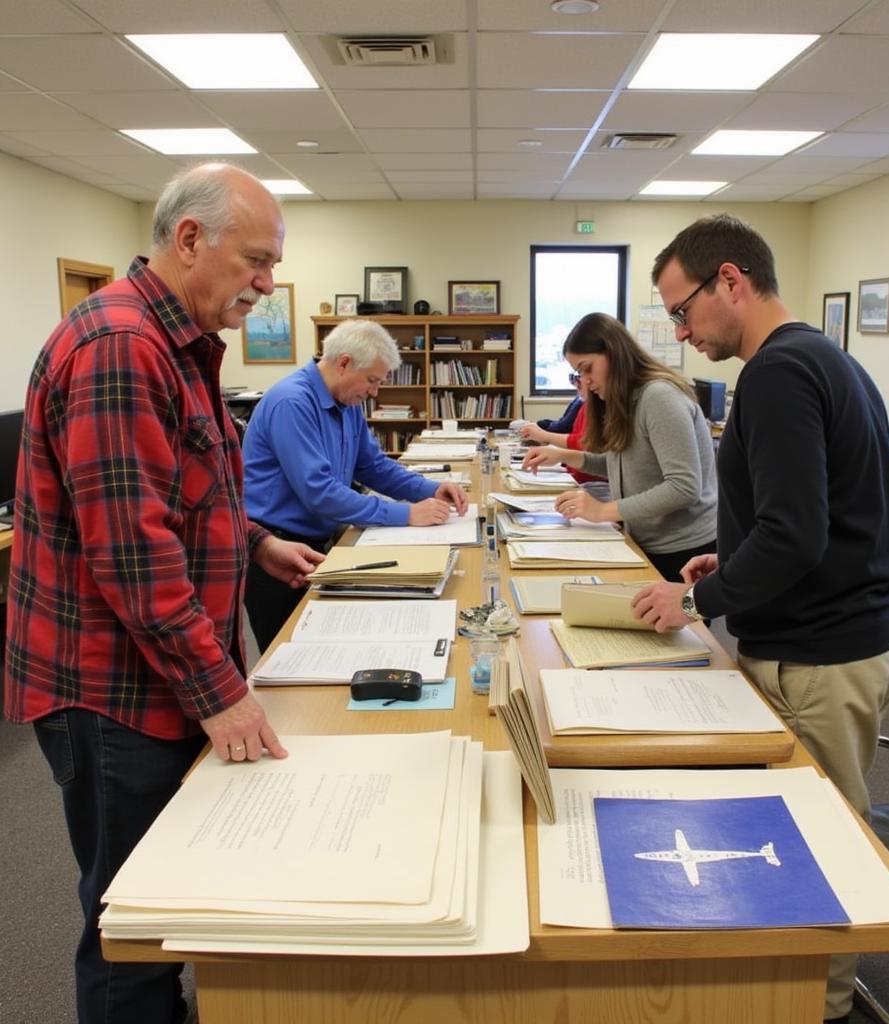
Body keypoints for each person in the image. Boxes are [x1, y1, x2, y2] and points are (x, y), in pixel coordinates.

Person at [3, 163, 326, 1024]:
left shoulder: (172, 341)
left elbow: (193, 484)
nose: (267, 281)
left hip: (152, 676)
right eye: (257, 259)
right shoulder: (123, 346)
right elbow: (135, 554)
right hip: (108, 692)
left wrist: (260, 544)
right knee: (131, 927)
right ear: (190, 240)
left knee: (167, 901)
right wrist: (224, 694)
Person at [631, 213, 889, 1024]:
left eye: (683, 312)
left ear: (732, 283)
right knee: (797, 825)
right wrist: (732, 552)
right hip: (835, 633)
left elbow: (798, 531)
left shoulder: (779, 374)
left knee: (818, 837)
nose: (680, 333)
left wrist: (695, 599)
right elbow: (804, 517)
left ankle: (821, 1006)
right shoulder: (821, 357)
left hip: (823, 651)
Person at [242, 318, 469, 650]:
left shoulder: (346, 403)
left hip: (316, 544)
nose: (375, 392)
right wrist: (405, 514)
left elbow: (373, 466)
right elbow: (321, 494)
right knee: (291, 655)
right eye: (372, 380)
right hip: (275, 553)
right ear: (344, 363)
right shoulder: (292, 402)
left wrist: (430, 489)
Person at [522, 312, 717, 581]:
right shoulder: (625, 399)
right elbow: (623, 464)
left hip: (683, 554)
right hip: (646, 543)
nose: (585, 382)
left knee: (681, 620)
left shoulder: (658, 396)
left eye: (587, 368)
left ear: (614, 353)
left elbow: (683, 487)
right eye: (579, 373)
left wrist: (602, 511)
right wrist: (563, 455)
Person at [519, 375, 607, 492]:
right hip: (578, 478)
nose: (576, 384)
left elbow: (584, 443)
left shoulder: (593, 406)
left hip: (589, 482)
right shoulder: (585, 405)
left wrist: (544, 436)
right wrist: (560, 455)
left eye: (578, 378)